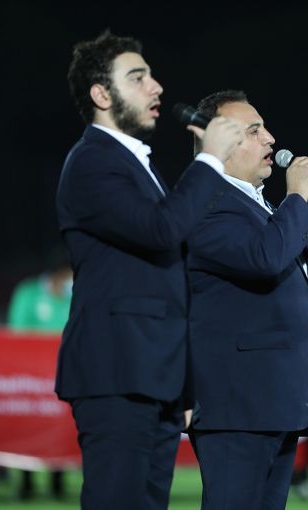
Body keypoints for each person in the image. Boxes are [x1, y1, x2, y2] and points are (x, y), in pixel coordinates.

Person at [56, 31, 244, 509]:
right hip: (117, 373)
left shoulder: (137, 165)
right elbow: (162, 230)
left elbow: (169, 274)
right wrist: (209, 159)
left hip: (154, 378)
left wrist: (183, 387)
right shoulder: (92, 161)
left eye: (151, 76)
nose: (156, 86)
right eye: (137, 78)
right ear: (102, 95)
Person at [185, 90, 308, 510]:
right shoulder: (207, 201)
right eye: (253, 131)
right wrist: (297, 197)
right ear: (220, 143)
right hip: (237, 405)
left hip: (276, 400)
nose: (270, 139)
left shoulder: (258, 204)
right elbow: (263, 258)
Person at [7, 247, 72, 500]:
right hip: (31, 377)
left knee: (61, 427)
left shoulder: (76, 295)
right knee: (28, 428)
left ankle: (58, 482)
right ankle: (26, 483)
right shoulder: (28, 293)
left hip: (63, 375)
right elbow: (17, 332)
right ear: (58, 274)